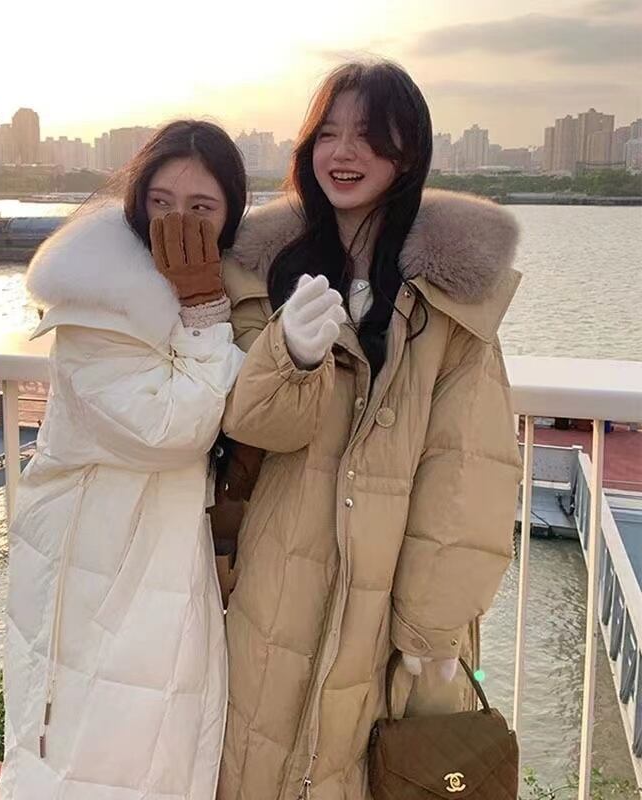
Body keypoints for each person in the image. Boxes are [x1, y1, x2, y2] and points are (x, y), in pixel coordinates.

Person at [216, 60, 523, 799]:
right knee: (256, 757)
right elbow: (253, 427)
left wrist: (432, 628)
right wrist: (290, 355)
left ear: (407, 153)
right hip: (273, 581)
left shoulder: (448, 302)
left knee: (366, 765)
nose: (343, 153)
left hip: (389, 605)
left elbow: (467, 468)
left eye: (369, 135)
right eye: (328, 133)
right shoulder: (264, 275)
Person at [0, 120, 248, 799]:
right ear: (137, 201)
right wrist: (206, 313)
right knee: (94, 752)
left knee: (154, 744)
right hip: (97, 558)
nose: (178, 223)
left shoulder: (198, 287)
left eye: (202, 208)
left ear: (230, 216)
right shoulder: (96, 304)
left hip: (151, 548)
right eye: (162, 203)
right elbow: (171, 429)